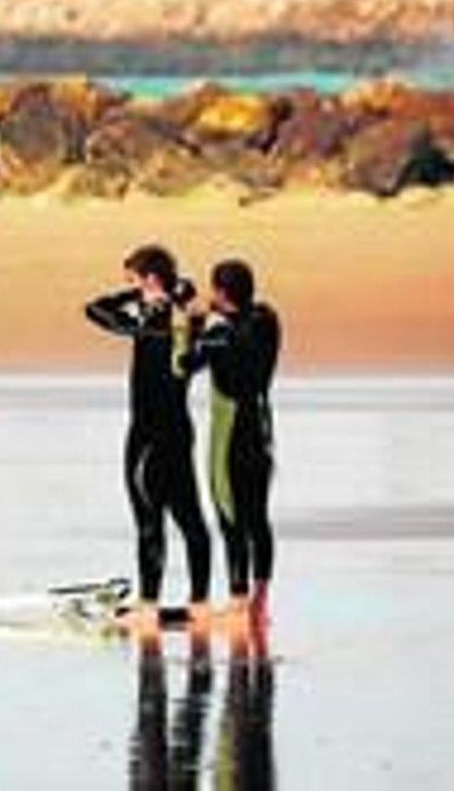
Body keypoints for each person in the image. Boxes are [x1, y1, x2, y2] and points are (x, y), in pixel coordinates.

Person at [85, 244, 212, 636]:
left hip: (147, 435)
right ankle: (200, 603)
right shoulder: (189, 318)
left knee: (148, 520)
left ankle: (149, 604)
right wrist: (173, 292)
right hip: (179, 431)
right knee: (190, 519)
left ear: (150, 280)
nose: (130, 290)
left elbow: (96, 309)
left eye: (132, 281)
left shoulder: (151, 322)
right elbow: (197, 323)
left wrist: (138, 303)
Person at [183, 259, 282, 631]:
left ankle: (239, 604)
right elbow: (246, 325)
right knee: (258, 518)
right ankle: (259, 604)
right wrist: (217, 315)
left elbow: (184, 364)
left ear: (221, 293)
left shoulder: (219, 336)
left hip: (229, 437)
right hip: (260, 428)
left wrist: (195, 324)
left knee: (230, 517)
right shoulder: (267, 319)